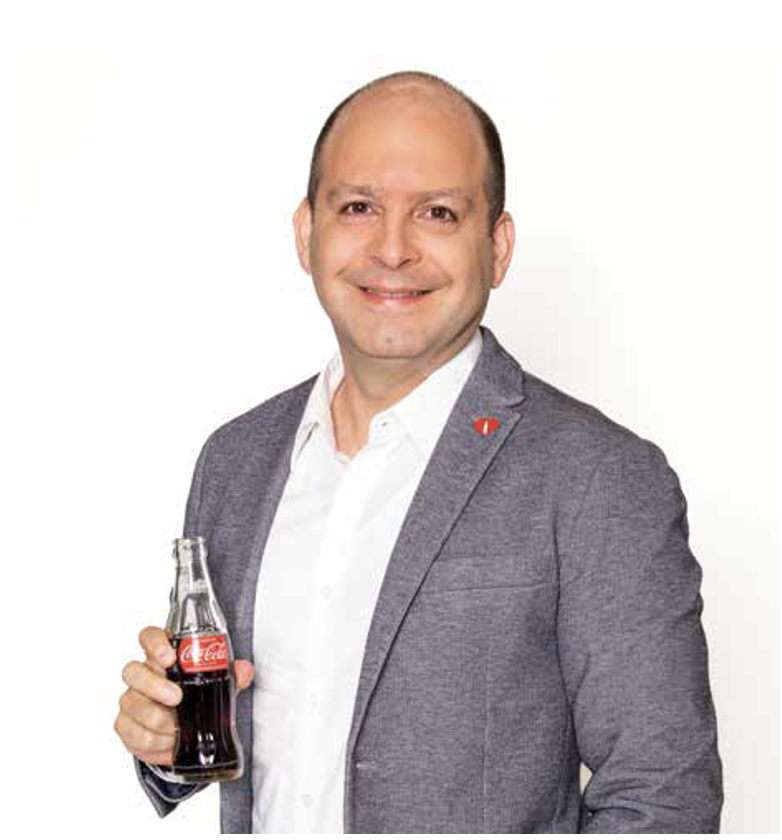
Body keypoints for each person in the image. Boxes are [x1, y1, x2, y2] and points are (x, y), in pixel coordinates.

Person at [114, 70, 724, 833]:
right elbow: (250, 738)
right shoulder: (236, 461)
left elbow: (663, 798)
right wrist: (171, 744)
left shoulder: (598, 478)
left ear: (497, 246)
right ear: (307, 232)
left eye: (437, 212)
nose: (393, 248)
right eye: (358, 207)